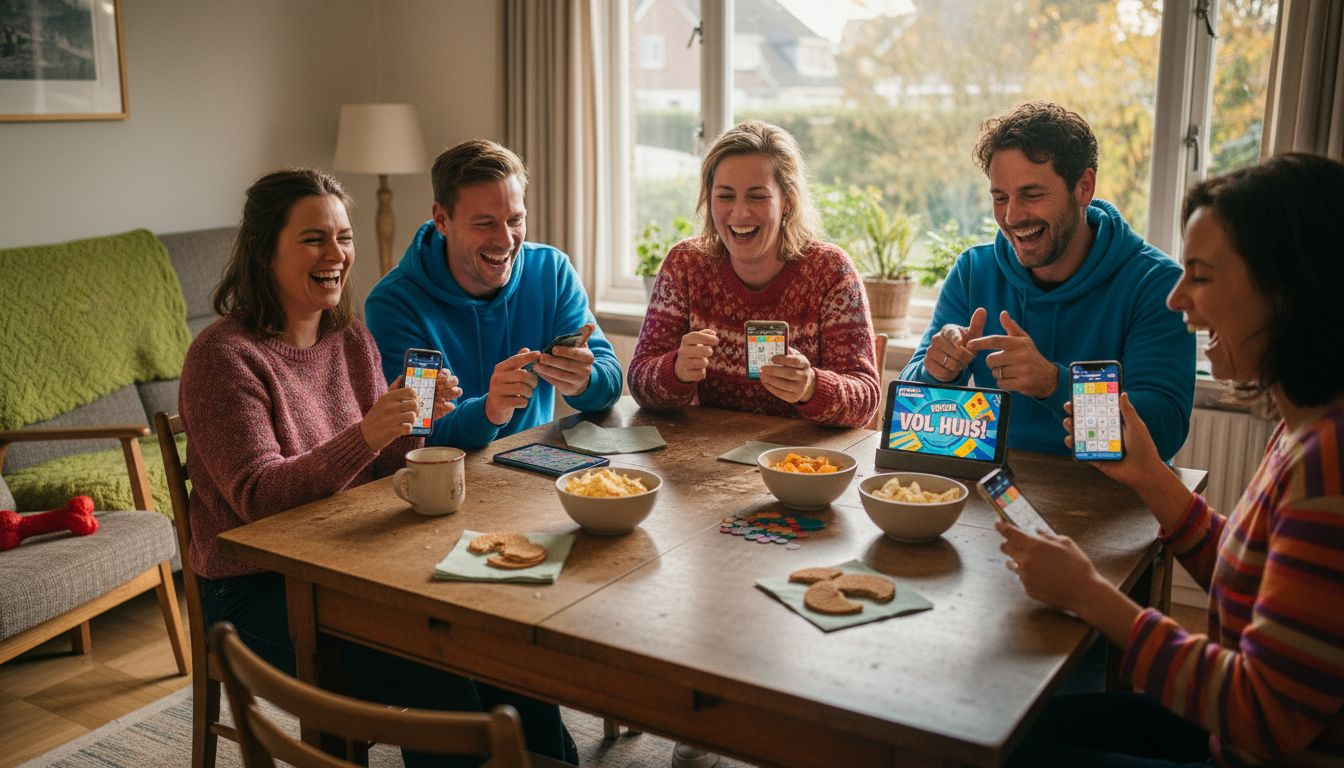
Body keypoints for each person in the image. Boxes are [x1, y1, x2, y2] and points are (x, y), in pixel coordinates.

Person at [179, 168, 576, 767]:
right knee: (446, 693)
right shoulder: (223, 359)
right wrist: (365, 432)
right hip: (254, 590)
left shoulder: (351, 340)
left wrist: (415, 424)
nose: (336, 254)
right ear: (264, 250)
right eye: (314, 238)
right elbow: (258, 501)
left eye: (343, 236)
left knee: (507, 658)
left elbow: (387, 468)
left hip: (347, 562)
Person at [1000, 153, 1344, 767]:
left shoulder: (1330, 468)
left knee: (983, 751)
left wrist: (1094, 598)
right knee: (998, 723)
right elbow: (1253, 588)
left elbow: (1263, 714)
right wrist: (1154, 480)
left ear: (1290, 288)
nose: (1176, 297)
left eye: (1202, 276)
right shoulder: (1303, 427)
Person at [900, 101, 1193, 459]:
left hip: (1113, 493)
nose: (1012, 216)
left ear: (1084, 187)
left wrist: (1054, 384)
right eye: (1000, 198)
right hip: (1001, 491)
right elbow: (910, 417)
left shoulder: (1156, 283)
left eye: (1032, 194)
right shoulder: (974, 272)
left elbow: (1164, 432)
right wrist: (938, 372)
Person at [365, 140, 622, 450]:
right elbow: (413, 434)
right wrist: (490, 411)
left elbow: (610, 383)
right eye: (485, 224)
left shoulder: (551, 272)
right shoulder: (394, 303)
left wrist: (584, 382)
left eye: (515, 220)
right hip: (446, 483)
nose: (505, 240)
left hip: (533, 473)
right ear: (442, 220)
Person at [628, 120, 879, 429]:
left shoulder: (830, 272)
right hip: (703, 462)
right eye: (725, 196)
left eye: (758, 196)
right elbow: (639, 382)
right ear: (709, 199)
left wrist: (811, 387)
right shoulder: (685, 265)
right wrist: (675, 371)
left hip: (799, 465)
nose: (740, 212)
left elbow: (865, 399)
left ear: (788, 201)